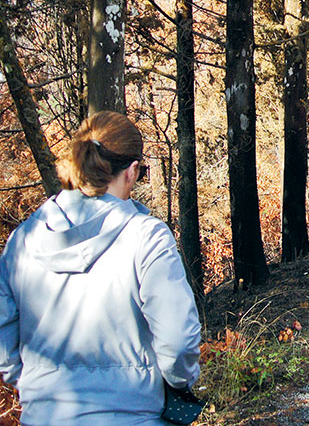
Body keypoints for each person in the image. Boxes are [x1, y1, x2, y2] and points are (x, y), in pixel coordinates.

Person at [0, 110, 201, 425]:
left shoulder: (21, 241)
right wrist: (178, 384)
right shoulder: (146, 237)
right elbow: (177, 342)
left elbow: (3, 337)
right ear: (132, 171)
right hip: (135, 416)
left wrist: (33, 383)